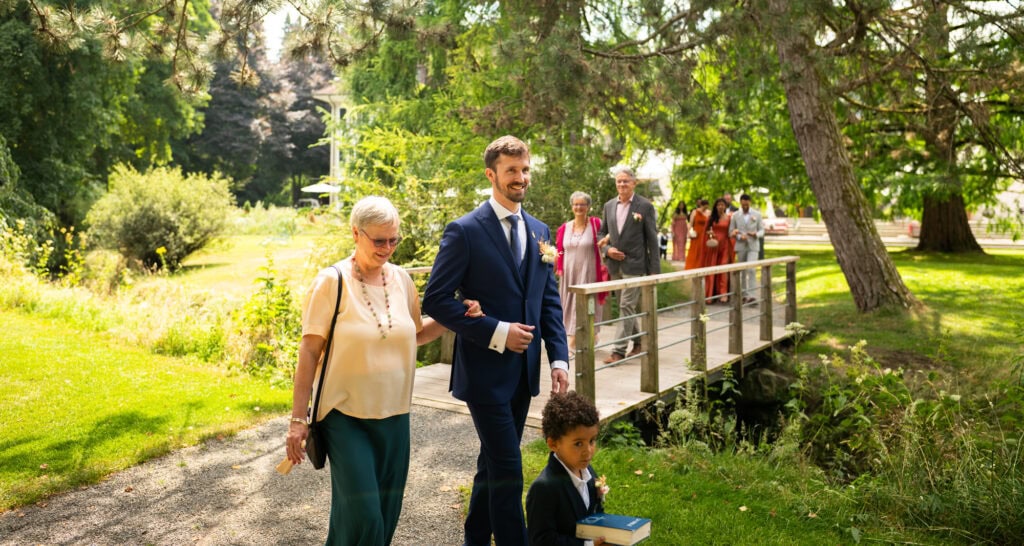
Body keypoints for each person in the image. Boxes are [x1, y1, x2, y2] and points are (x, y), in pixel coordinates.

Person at [285, 196, 482, 545]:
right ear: (355, 233)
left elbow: (417, 332)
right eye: (379, 240)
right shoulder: (331, 282)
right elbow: (309, 351)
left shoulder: (402, 280)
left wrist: (457, 316)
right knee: (365, 517)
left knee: (385, 515)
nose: (388, 248)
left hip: (395, 415)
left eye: (394, 239)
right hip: (344, 416)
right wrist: (297, 421)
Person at [422, 135, 570, 546]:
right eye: (511, 171)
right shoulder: (465, 231)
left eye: (525, 170)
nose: (520, 178)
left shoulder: (540, 230)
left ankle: (474, 539)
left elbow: (548, 303)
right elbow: (436, 299)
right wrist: (497, 332)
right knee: (508, 467)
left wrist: (559, 359)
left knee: (492, 464)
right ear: (491, 174)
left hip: (524, 375)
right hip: (485, 374)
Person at [525, 391, 605, 546]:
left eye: (592, 441)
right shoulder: (543, 488)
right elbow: (542, 540)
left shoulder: (589, 473)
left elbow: (594, 513)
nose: (588, 451)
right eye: (578, 443)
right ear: (553, 444)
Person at [598, 167, 660, 364]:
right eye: (619, 181)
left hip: (636, 265)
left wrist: (654, 272)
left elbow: (652, 241)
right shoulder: (608, 206)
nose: (622, 184)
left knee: (626, 305)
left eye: (626, 181)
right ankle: (639, 342)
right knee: (626, 307)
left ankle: (618, 351)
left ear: (634, 183)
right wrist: (607, 251)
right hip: (615, 266)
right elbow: (601, 234)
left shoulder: (645, 206)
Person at [555, 191, 608, 352]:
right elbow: (560, 251)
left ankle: (571, 342)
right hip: (569, 275)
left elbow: (608, 236)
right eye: (576, 204)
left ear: (588, 207)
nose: (579, 207)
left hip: (588, 272)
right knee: (567, 306)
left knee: (585, 305)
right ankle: (590, 336)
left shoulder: (596, 224)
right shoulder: (564, 227)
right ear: (572, 207)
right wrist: (556, 265)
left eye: (582, 204)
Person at [729, 193, 764, 304]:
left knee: (751, 269)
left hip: (753, 246)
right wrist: (739, 236)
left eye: (747, 204)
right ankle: (744, 295)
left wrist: (756, 234)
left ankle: (752, 295)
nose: (745, 206)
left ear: (750, 202)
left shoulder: (757, 214)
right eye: (743, 204)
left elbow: (762, 230)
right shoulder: (735, 215)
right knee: (742, 271)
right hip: (741, 245)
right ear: (740, 203)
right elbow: (731, 232)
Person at [703, 198, 734, 303]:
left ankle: (723, 293)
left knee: (723, 268)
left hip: (725, 246)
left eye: (722, 205)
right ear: (715, 206)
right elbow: (706, 231)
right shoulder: (711, 218)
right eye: (718, 205)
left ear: (725, 206)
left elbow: (730, 232)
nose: (720, 207)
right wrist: (710, 234)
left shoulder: (729, 218)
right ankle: (710, 294)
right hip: (714, 246)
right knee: (712, 269)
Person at [684, 199, 710, 271]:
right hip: (696, 235)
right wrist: (689, 232)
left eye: (706, 207)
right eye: (704, 207)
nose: (705, 209)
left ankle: (703, 266)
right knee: (695, 251)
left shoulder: (709, 213)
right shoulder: (695, 212)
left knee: (704, 251)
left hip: (705, 235)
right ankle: (694, 267)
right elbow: (690, 223)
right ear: (701, 205)